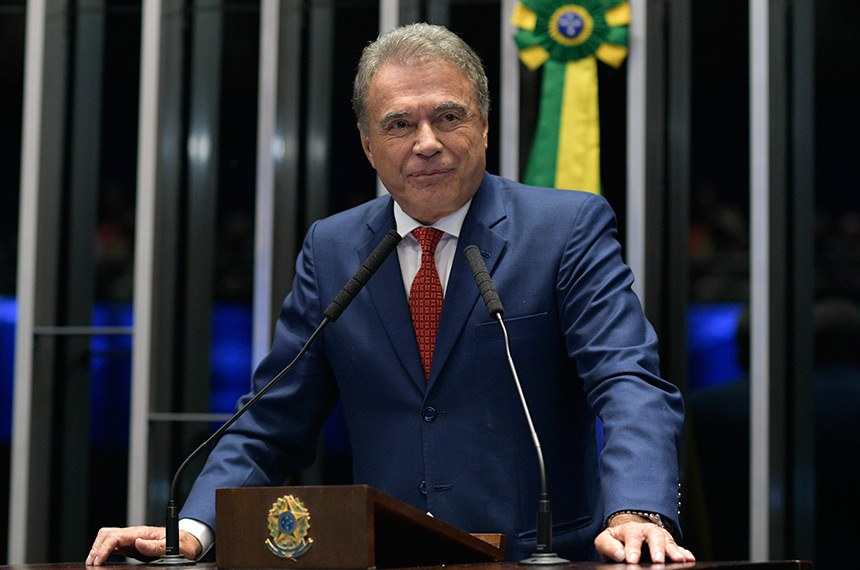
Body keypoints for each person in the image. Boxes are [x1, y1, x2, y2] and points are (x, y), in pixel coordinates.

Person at [87, 22, 695, 566]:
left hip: (540, 558)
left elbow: (627, 380)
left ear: (483, 126)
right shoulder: (333, 248)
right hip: (389, 561)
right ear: (366, 143)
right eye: (399, 124)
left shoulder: (566, 229)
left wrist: (636, 509)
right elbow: (272, 420)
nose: (425, 141)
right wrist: (191, 531)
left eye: (449, 116)